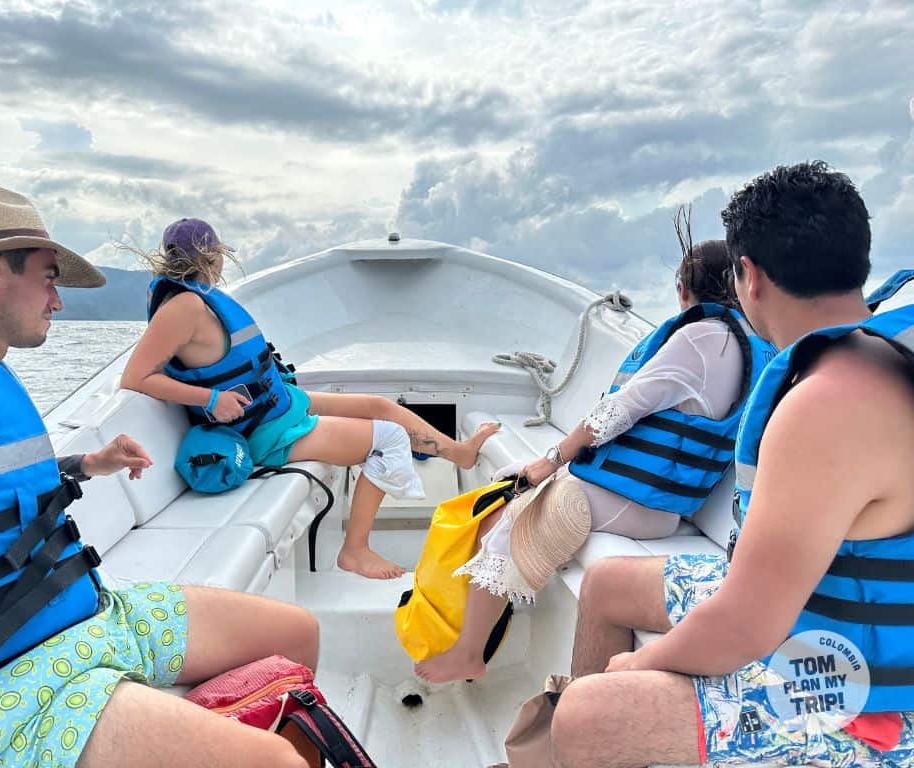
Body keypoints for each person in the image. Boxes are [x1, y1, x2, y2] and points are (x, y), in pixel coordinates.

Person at [0, 183, 320, 768]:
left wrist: (85, 464)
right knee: (279, 764)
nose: (58, 302)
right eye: (47, 277)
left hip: (88, 619)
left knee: (298, 636)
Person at [539, 162, 914, 768]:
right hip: (814, 606)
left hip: (866, 691)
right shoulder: (876, 354)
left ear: (750, 276)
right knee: (608, 585)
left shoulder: (828, 402)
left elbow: (746, 625)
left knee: (591, 715)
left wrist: (639, 665)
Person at [416, 212, 776, 683]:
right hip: (660, 501)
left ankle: (469, 654)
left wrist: (549, 462)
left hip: (640, 505)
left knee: (510, 518)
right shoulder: (751, 343)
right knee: (511, 498)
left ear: (684, 291)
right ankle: (485, 628)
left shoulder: (700, 338)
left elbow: (618, 411)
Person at [120, 218, 500, 579]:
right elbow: (135, 378)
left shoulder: (200, 299)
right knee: (388, 439)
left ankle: (459, 452)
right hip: (262, 432)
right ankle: (355, 550)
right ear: (214, 257)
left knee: (381, 407)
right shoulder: (183, 307)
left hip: (273, 406)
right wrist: (210, 397)